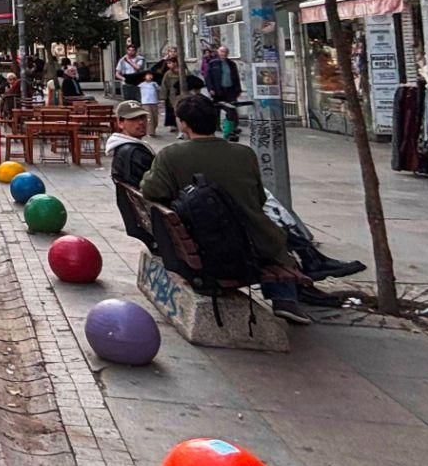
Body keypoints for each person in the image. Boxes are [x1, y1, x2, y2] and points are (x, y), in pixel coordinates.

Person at [140, 94, 311, 324]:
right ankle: (285, 299)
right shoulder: (244, 154)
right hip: (252, 245)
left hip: (201, 244)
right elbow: (259, 199)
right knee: (273, 237)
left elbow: (152, 190)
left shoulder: (171, 155)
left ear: (184, 123)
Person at [106, 102, 156, 246]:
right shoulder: (135, 153)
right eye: (133, 119)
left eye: (142, 118)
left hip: (140, 217)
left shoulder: (124, 148)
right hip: (150, 218)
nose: (140, 123)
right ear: (120, 123)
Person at [205, 44, 243, 139]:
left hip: (230, 90)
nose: (224, 54)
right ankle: (216, 126)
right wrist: (211, 89)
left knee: (232, 109)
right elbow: (208, 78)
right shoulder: (213, 63)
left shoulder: (232, 64)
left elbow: (236, 77)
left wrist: (238, 89)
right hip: (217, 90)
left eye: (225, 52)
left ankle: (231, 128)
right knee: (216, 109)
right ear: (218, 52)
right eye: (222, 52)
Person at [157, 46, 184, 134]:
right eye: (171, 51)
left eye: (174, 51)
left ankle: (182, 127)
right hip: (171, 94)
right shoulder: (167, 70)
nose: (172, 53)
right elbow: (164, 84)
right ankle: (174, 125)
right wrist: (163, 96)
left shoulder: (181, 67)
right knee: (171, 110)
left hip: (181, 92)